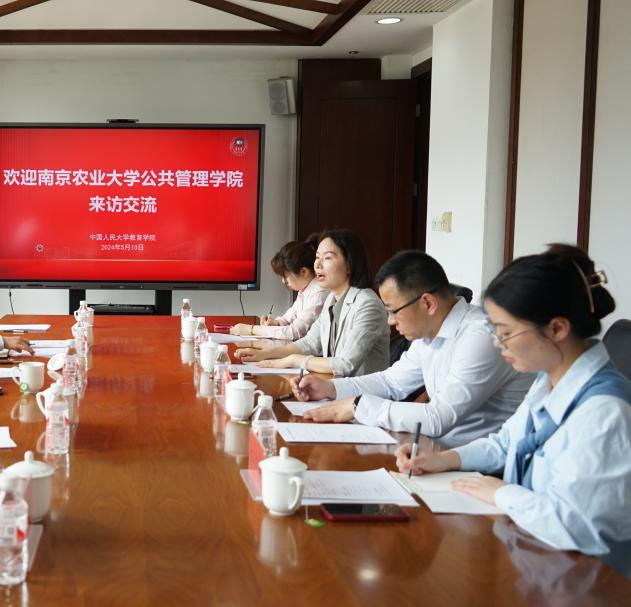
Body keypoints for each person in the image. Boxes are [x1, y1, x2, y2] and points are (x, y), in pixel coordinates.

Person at [396, 245, 631, 577]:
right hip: (535, 558)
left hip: (588, 581)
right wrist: (444, 460)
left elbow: (575, 527)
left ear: (557, 329)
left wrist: (502, 493)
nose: (497, 343)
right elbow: (506, 442)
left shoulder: (604, 411)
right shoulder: (549, 377)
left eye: (506, 333)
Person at [291, 250, 533, 447]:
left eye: (393, 310)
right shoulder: (429, 333)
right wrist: (330, 388)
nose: (390, 321)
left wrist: (358, 406)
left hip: (478, 468)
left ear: (428, 303)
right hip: (437, 454)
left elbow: (438, 417)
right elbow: (391, 382)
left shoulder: (479, 337)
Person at [236, 229, 389, 377]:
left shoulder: (368, 304)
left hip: (360, 392)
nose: (317, 265)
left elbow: (345, 364)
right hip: (334, 385)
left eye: (327, 258)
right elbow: (310, 342)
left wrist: (293, 360)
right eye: (317, 257)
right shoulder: (332, 298)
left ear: (349, 264)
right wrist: (264, 354)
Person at [230, 235, 328, 341]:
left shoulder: (319, 293)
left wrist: (252, 330)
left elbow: (295, 332)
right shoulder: (305, 290)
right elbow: (289, 317)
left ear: (303, 272)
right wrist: (275, 323)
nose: (283, 281)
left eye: (285, 276)